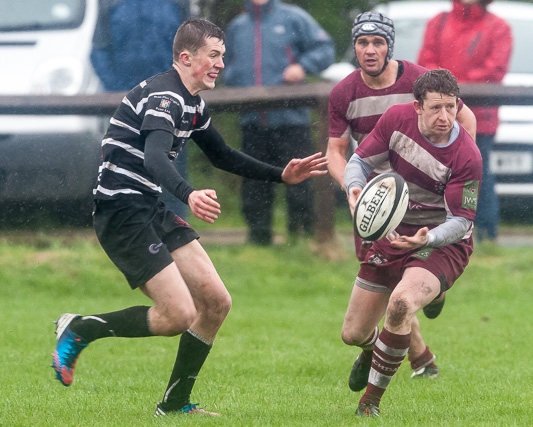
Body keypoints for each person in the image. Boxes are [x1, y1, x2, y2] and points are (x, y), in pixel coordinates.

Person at [51, 18, 328, 417]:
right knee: (177, 315)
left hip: (148, 207)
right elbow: (153, 156)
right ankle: (81, 328)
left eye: (222, 56)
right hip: (122, 212)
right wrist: (189, 192)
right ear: (186, 57)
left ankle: (175, 404)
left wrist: (280, 174)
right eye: (213, 55)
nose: (220, 63)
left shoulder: (192, 102)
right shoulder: (166, 97)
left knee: (215, 302)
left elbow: (221, 155)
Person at [326, 11, 477, 391]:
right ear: (355, 47)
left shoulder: (421, 84)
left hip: (429, 207)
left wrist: (456, 167)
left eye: (378, 42)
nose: (370, 50)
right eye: (362, 42)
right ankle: (418, 356)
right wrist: (353, 190)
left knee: (403, 294)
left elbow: (466, 125)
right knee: (388, 301)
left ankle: (423, 322)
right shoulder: (344, 92)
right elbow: (337, 153)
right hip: (378, 201)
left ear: (390, 45)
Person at [342, 68, 482, 417]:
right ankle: (378, 347)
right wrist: (354, 188)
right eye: (436, 108)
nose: (445, 117)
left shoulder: (467, 154)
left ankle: (369, 404)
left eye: (451, 108)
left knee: (401, 304)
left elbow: (463, 221)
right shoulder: (395, 119)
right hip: (393, 232)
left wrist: (428, 238)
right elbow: (358, 161)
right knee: (353, 333)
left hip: (442, 241)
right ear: (417, 106)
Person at [223, 0, 335, 245]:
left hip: (292, 119)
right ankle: (258, 238)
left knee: (300, 182)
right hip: (252, 120)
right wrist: (234, 78)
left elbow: (325, 49)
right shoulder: (237, 27)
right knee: (255, 182)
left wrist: (302, 67)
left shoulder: (294, 17)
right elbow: (225, 66)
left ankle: (301, 238)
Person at [417, 0, 512, 241]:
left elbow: (495, 70)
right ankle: (435, 232)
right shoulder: (438, 23)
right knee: (435, 173)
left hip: (480, 117)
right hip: (438, 115)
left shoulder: (498, 27)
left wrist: (449, 87)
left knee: (478, 174)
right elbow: (425, 62)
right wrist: (449, 92)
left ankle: (484, 234)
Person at [90, 0, 193, 219]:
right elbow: (98, 50)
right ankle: (131, 232)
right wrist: (119, 92)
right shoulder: (110, 3)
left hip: (169, 103)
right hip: (127, 105)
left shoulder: (178, 3)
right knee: (125, 169)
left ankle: (177, 237)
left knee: (171, 170)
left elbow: (192, 51)